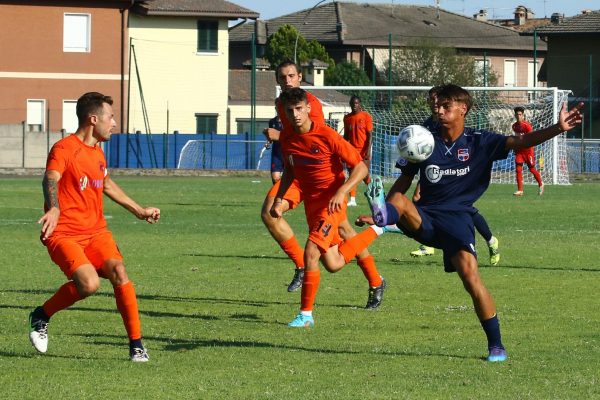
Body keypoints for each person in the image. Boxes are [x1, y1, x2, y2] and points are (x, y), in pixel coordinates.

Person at [357, 84, 583, 362]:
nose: (439, 111)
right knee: (401, 202)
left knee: (471, 278)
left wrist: (558, 128)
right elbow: (401, 187)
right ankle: (382, 219)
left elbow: (522, 142)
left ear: (463, 109)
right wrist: (387, 212)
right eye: (437, 106)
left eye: (446, 106)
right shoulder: (425, 142)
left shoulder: (480, 141)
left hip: (458, 220)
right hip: (425, 218)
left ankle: (496, 345)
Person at [29, 92, 161, 362]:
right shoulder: (64, 149)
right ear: (93, 119)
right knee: (88, 285)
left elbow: (108, 184)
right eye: (110, 117)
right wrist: (53, 206)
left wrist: (139, 210)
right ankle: (41, 315)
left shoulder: (97, 152)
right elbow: (50, 178)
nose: (114, 123)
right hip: (64, 234)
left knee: (119, 271)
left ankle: (136, 345)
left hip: (97, 233)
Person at [261, 60, 384, 301]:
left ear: (299, 78)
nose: (287, 80)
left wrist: (278, 136)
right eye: (283, 76)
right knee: (270, 213)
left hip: (324, 180)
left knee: (343, 238)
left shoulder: (310, 104)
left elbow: (313, 136)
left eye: (291, 76)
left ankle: (374, 280)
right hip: (298, 175)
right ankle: (301, 266)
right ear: (277, 81)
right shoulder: (280, 104)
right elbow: (292, 145)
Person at [409, 87, 500, 266]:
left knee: (463, 209)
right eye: (432, 100)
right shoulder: (428, 125)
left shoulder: (449, 122)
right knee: (421, 202)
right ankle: (429, 243)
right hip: (434, 172)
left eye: (439, 101)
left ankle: (490, 240)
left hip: (454, 173)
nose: (435, 105)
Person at [343, 96, 373, 206]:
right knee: (352, 174)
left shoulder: (366, 116)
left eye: (356, 103)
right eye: (352, 103)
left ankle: (376, 192)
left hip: (364, 149)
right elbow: (346, 135)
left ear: (360, 104)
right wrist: (342, 148)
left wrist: (368, 150)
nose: (354, 105)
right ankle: (352, 200)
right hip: (352, 150)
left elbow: (370, 135)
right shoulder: (347, 118)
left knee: (364, 175)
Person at [512, 106, 544, 196]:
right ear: (515, 115)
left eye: (520, 114)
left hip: (528, 151)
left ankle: (541, 184)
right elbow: (516, 138)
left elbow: (531, 138)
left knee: (532, 169)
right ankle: (520, 190)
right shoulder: (514, 126)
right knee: (518, 169)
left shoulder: (527, 126)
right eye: (517, 114)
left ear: (523, 115)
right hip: (519, 151)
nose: (519, 116)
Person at [267, 111, 284, 184]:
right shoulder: (272, 122)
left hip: (288, 153)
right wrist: (268, 142)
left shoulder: (289, 121)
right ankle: (278, 194)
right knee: (275, 178)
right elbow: (271, 136)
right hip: (276, 154)